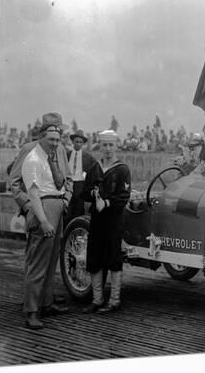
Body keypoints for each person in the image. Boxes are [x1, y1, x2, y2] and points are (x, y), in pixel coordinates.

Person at [20, 113, 73, 329]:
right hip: (43, 207)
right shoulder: (32, 158)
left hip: (57, 205)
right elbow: (33, 194)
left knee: (51, 263)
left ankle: (46, 304)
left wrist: (65, 199)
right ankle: (31, 311)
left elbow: (61, 182)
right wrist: (43, 221)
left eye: (58, 140)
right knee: (38, 265)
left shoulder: (51, 156)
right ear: (41, 137)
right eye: (51, 139)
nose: (55, 143)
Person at [82, 130, 132, 314]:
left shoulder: (122, 169)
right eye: (105, 145)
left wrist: (107, 203)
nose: (108, 149)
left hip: (114, 221)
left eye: (111, 145)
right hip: (97, 220)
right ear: (100, 146)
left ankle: (115, 300)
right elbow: (84, 192)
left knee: (113, 258)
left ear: (116, 146)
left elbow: (124, 196)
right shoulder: (95, 168)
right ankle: (97, 300)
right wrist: (94, 194)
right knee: (94, 257)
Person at [66, 129, 97, 223]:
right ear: (73, 142)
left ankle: (77, 227)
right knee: (67, 207)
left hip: (80, 184)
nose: (78, 144)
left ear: (83, 143)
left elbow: (94, 169)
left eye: (80, 142)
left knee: (78, 207)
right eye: (76, 142)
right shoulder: (67, 154)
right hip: (68, 183)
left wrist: (87, 177)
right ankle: (66, 229)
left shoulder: (87, 157)